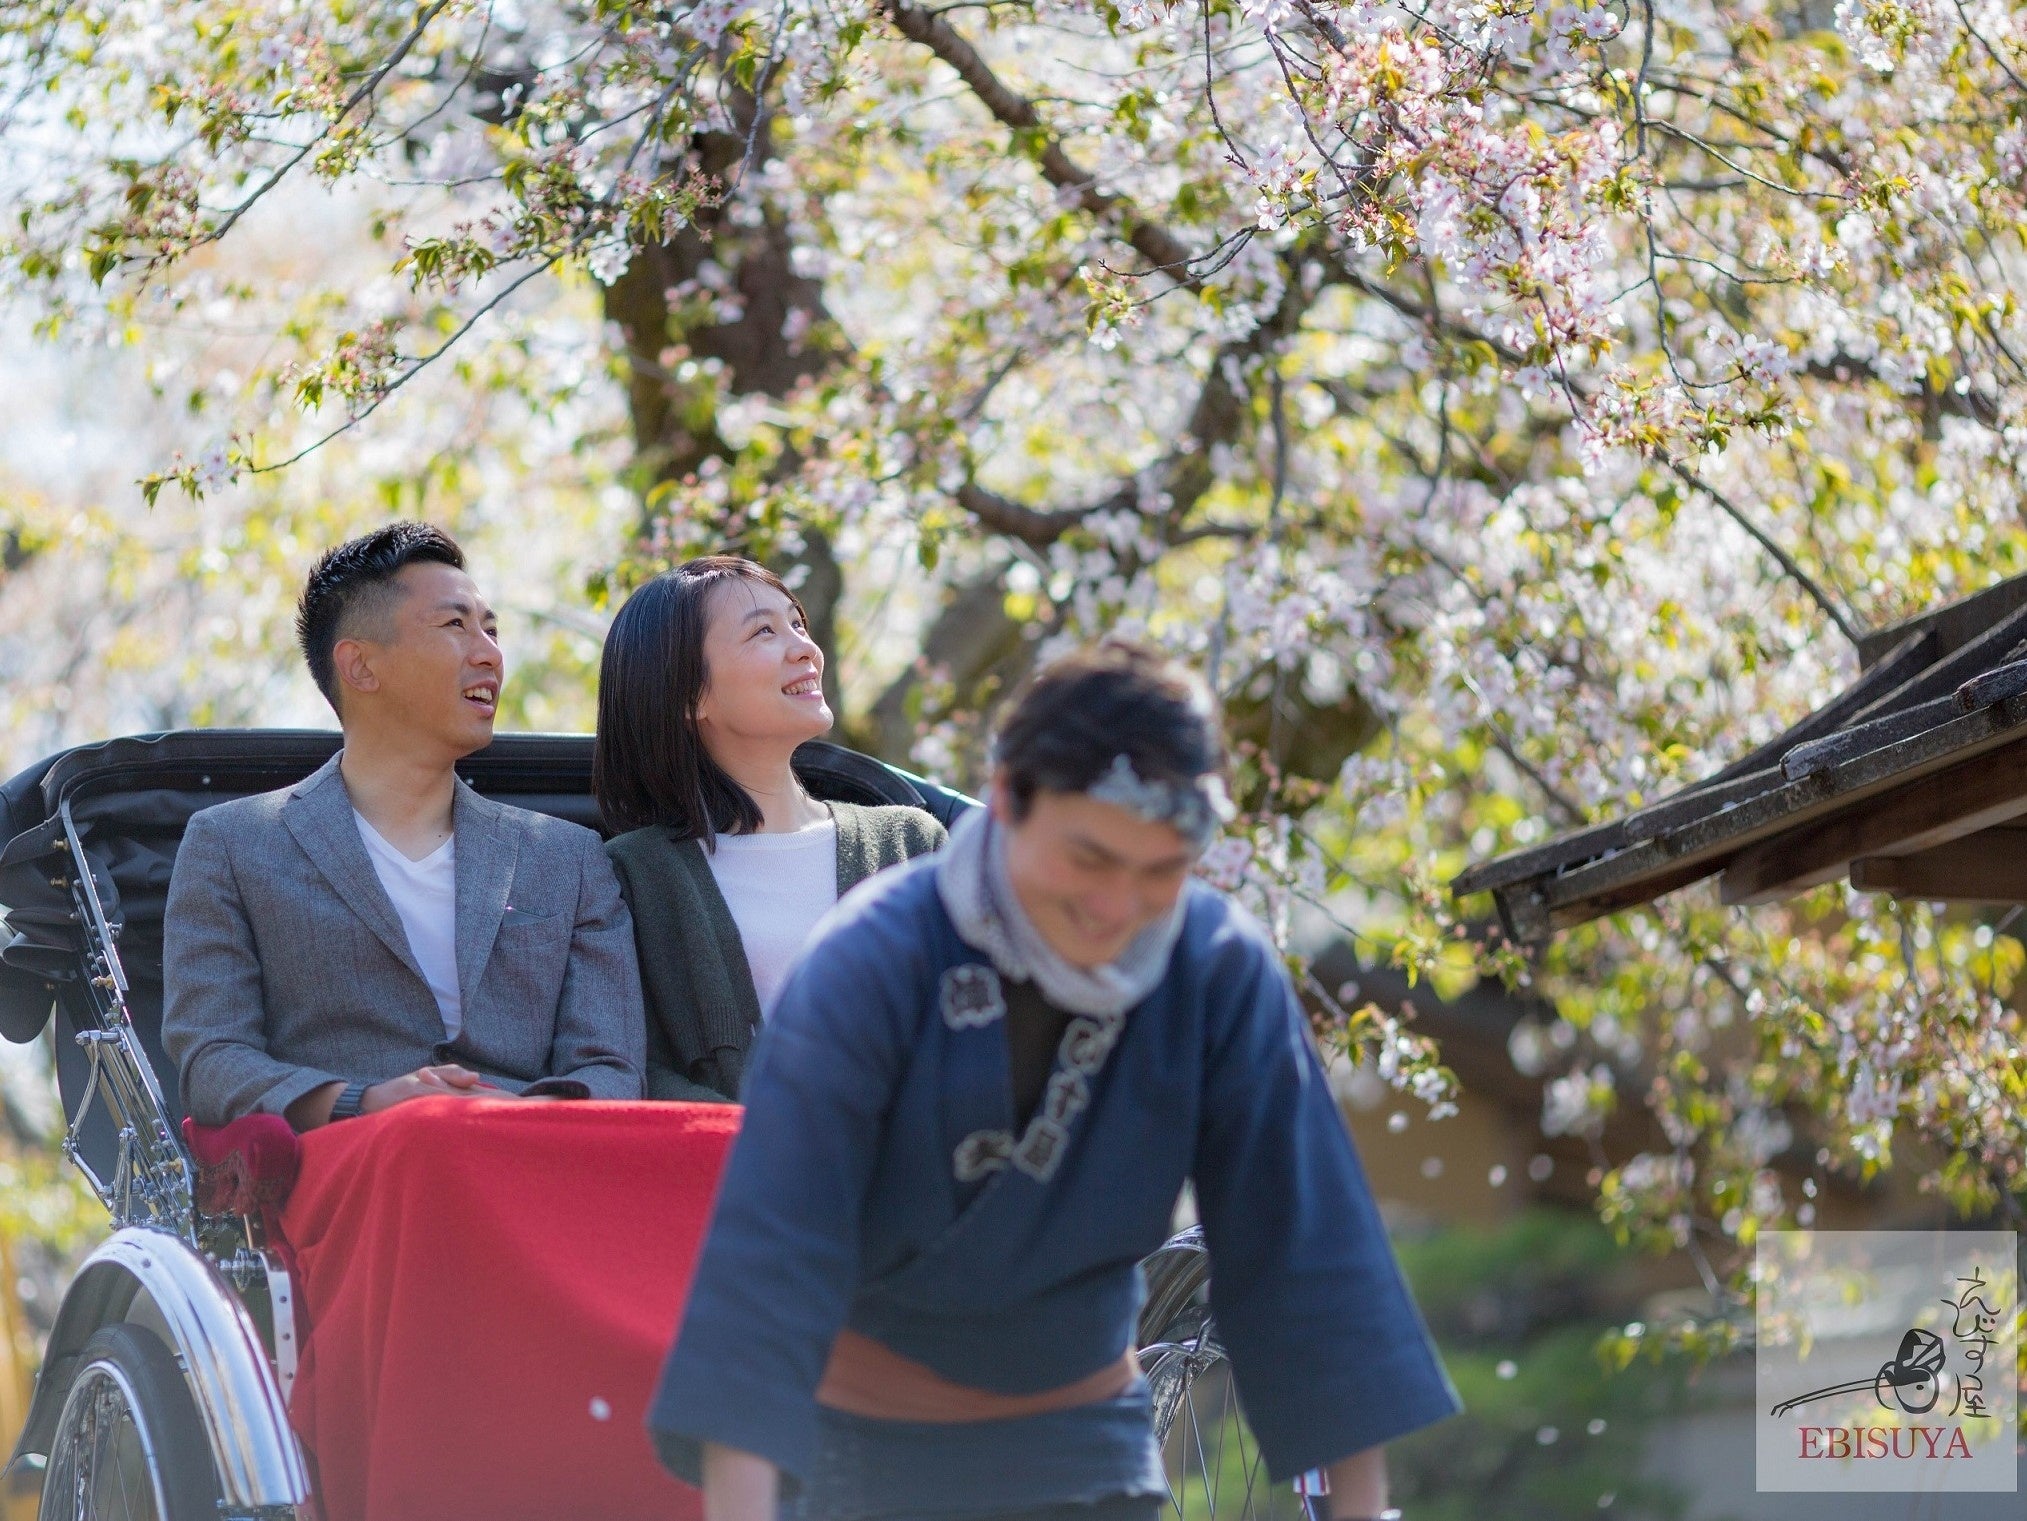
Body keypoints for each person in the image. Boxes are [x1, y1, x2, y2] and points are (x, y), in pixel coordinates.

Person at [647, 641, 1459, 1521]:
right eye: (1089, 858)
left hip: (1084, 1443)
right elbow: (767, 1274)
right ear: (1004, 801)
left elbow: (1307, 1259)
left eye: (1158, 871)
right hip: (857, 1450)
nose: (1118, 904)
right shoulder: (872, 959)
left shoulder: (1213, 967)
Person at [163, 522, 646, 1129]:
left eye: (492, 631)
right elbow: (212, 1063)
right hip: (347, 1182)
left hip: (530, 1176)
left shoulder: (568, 858)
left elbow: (613, 1070)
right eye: (455, 626)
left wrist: (510, 1117)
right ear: (360, 666)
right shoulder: (234, 845)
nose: (490, 653)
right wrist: (367, 1103)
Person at [594, 556, 946, 1102]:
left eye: (797, 624)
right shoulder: (632, 876)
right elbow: (633, 1070)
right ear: (692, 694)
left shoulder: (911, 843)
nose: (804, 647)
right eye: (764, 631)